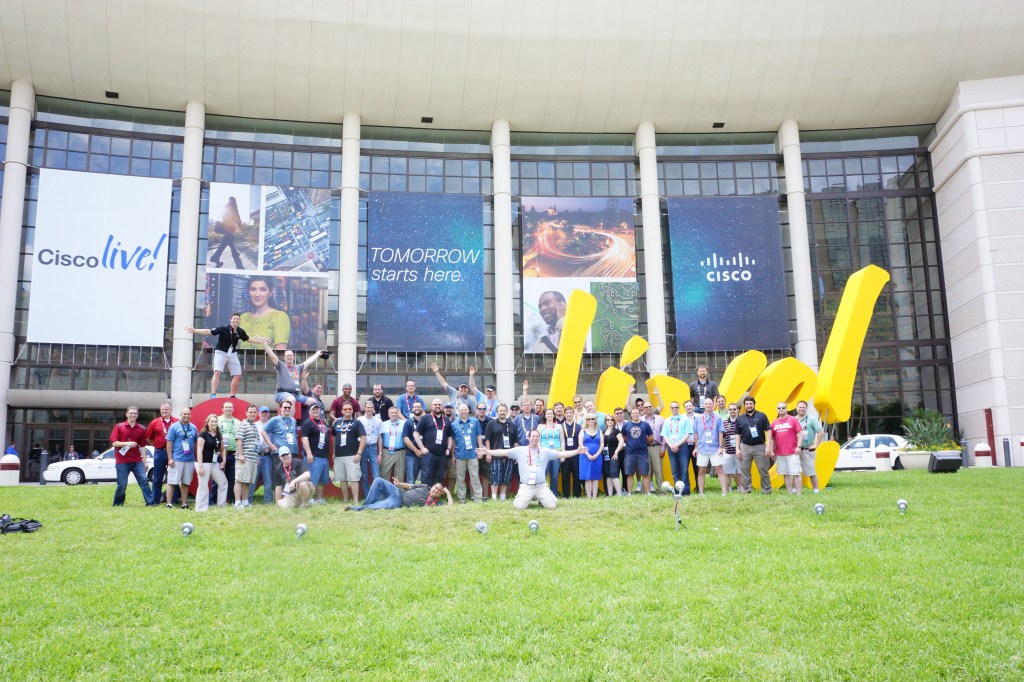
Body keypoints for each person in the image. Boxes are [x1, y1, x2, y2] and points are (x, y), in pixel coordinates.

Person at [482, 430, 584, 509]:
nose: (535, 438)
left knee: (552, 506)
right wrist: (487, 451)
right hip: (526, 486)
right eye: (533, 436)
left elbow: (561, 454)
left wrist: (577, 451)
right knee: (519, 507)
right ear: (528, 437)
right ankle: (522, 497)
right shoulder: (520, 450)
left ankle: (548, 497)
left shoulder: (545, 451)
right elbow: (503, 452)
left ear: (539, 438)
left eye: (537, 436)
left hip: (541, 486)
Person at [183, 314, 250, 399]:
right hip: (221, 352)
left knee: (237, 374)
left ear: (239, 321)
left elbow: (248, 339)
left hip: (232, 353)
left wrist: (261, 341)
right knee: (217, 372)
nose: (236, 320)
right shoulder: (223, 328)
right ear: (230, 320)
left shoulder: (240, 331)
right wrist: (194, 330)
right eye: (234, 319)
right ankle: (213, 394)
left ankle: (232, 395)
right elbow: (209, 332)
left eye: (238, 319)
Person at [109, 406, 154, 507]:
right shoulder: (119, 426)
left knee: (144, 482)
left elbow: (142, 447)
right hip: (122, 461)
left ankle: (150, 503)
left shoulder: (142, 429)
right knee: (122, 484)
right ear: (126, 414)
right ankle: (117, 504)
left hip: (137, 461)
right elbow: (114, 443)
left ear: (137, 415)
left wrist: (145, 462)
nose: (133, 415)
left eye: (135, 413)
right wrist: (127, 444)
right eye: (131, 413)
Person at [261, 338, 324, 410]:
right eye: (287, 356)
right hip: (281, 394)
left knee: (313, 401)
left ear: (293, 357)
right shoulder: (281, 366)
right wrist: (265, 344)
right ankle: (291, 421)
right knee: (291, 399)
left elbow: (309, 361)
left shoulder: (298, 367)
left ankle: (313, 420)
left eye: (291, 355)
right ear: (284, 358)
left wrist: (318, 353)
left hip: (296, 395)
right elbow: (272, 356)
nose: (289, 357)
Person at [239, 276, 290, 350]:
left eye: (262, 290)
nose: (257, 294)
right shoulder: (243, 317)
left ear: (270, 293)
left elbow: (280, 354)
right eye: (253, 289)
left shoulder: (279, 317)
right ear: (248, 292)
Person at [413, 399, 454, 487]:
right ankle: (425, 497)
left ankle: (436, 498)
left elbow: (450, 436)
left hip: (442, 454)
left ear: (442, 406)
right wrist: (422, 448)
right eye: (435, 404)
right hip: (429, 454)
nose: (437, 406)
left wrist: (448, 448)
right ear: (432, 406)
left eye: (439, 404)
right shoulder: (425, 418)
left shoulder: (446, 420)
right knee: (427, 476)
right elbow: (415, 433)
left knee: (439, 477)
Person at [347, 476, 452, 511]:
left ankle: (355, 509)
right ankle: (366, 504)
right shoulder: (425, 487)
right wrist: (399, 484)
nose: (436, 490)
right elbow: (410, 486)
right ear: (433, 486)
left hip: (398, 502)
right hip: (397, 492)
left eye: (439, 490)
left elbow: (450, 507)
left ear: (440, 494)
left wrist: (447, 493)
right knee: (378, 480)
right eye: (436, 487)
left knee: (379, 506)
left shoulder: (436, 502)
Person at [735, 397, 772, 494]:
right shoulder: (740, 418)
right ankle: (746, 491)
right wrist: (737, 449)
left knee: (763, 470)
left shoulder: (762, 416)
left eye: (750, 403)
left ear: (754, 404)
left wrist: (768, 446)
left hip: (760, 447)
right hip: (745, 447)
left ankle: (766, 491)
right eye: (747, 404)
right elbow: (737, 434)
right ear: (744, 405)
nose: (749, 406)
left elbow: (768, 430)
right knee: (745, 471)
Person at [331, 402, 365, 504]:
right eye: (345, 409)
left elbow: (363, 438)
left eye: (349, 409)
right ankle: (345, 499)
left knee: (354, 478)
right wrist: (334, 452)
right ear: (341, 411)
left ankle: (355, 501)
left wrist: (359, 453)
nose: (347, 411)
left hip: (352, 455)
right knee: (342, 479)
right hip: (339, 455)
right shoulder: (337, 422)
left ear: (352, 410)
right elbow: (333, 437)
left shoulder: (357, 422)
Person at [145, 401, 178, 506]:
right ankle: (155, 500)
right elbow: (149, 438)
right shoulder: (155, 422)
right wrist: (157, 445)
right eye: (162, 409)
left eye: (166, 409)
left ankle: (173, 500)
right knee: (158, 477)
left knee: (174, 477)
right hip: (160, 452)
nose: (164, 411)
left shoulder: (177, 422)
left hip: (174, 453)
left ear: (171, 410)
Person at [165, 408, 197, 509]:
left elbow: (196, 443)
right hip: (177, 459)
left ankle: (184, 504)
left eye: (188, 414)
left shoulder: (193, 427)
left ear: (190, 415)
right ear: (180, 415)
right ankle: (169, 504)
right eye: (184, 414)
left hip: (189, 460)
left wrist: (196, 458)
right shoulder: (174, 427)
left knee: (186, 482)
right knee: (172, 482)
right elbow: (169, 443)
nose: (186, 416)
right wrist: (170, 458)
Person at [484, 404, 518, 501]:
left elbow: (515, 441)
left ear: (507, 412)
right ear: (497, 412)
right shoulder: (491, 423)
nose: (502, 412)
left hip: (508, 456)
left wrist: (517, 455)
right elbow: (487, 440)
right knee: (495, 478)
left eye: (504, 410)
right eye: (500, 411)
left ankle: (502, 498)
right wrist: (488, 453)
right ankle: (494, 498)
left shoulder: (511, 424)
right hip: (495, 456)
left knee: (505, 478)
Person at [450, 404, 483, 502]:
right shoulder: (454, 424)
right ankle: (461, 499)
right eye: (461, 410)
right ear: (458, 411)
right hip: (460, 455)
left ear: (468, 410)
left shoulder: (475, 421)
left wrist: (480, 450)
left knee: (475, 477)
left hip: (473, 454)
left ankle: (478, 498)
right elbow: (453, 441)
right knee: (460, 478)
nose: (463, 411)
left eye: (465, 409)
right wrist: (452, 455)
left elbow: (478, 436)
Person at [768, 402, 803, 495]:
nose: (781, 409)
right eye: (779, 408)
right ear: (777, 410)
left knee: (796, 473)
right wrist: (772, 450)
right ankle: (790, 493)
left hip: (793, 452)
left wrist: (798, 446)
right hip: (780, 453)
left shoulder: (793, 420)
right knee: (786, 474)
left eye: (783, 408)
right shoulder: (774, 423)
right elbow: (772, 438)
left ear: (787, 409)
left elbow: (800, 433)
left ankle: (799, 494)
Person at [195, 414, 229, 511]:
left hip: (214, 464)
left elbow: (222, 449)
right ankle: (201, 509)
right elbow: (199, 450)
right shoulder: (203, 434)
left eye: (215, 421)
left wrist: (224, 461)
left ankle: (221, 504)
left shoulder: (218, 435)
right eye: (212, 421)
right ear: (208, 422)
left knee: (223, 482)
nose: (214, 423)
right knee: (203, 486)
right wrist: (200, 466)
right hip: (204, 463)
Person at [694, 398, 727, 495]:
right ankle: (701, 493)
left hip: (715, 448)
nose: (708, 405)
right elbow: (696, 433)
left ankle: (724, 493)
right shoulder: (698, 418)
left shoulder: (718, 418)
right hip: (702, 448)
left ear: (713, 405)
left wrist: (720, 447)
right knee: (701, 470)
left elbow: (721, 432)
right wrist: (696, 447)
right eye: (706, 404)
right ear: (703, 405)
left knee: (719, 469)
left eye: (710, 404)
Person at [299, 402, 331, 504]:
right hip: (314, 457)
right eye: (313, 409)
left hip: (324, 456)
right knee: (312, 480)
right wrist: (309, 453)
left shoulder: (323, 422)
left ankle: (319, 499)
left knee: (322, 480)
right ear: (309, 411)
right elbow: (304, 439)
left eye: (317, 409)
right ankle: (309, 499)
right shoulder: (307, 423)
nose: (316, 411)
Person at [662, 401, 694, 492]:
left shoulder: (685, 420)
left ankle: (684, 491)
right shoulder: (667, 420)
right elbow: (664, 435)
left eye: (676, 407)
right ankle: (677, 490)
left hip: (682, 446)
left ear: (679, 408)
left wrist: (677, 444)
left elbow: (687, 434)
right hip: (671, 447)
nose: (674, 409)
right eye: (673, 407)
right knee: (675, 470)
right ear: (670, 409)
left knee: (684, 470)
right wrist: (671, 445)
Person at [622, 407, 654, 494]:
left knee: (644, 473)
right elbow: (623, 436)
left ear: (639, 414)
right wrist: (630, 442)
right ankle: (629, 493)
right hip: (630, 453)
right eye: (633, 413)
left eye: (637, 413)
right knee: (630, 473)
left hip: (642, 453)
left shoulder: (645, 424)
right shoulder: (626, 425)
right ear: (631, 415)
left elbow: (651, 437)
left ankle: (648, 493)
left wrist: (643, 442)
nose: (635, 414)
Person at [234, 405, 261, 508]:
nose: (252, 414)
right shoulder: (243, 424)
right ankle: (237, 502)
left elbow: (255, 443)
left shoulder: (254, 425)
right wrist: (241, 455)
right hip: (244, 457)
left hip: (253, 457)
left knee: (247, 482)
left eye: (254, 412)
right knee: (239, 480)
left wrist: (256, 456)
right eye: (250, 412)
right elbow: (239, 439)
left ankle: (245, 502)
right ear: (246, 413)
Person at [214, 401, 240, 504]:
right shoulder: (217, 420)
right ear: (222, 409)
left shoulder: (238, 422)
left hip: (232, 454)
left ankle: (229, 500)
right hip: (219, 454)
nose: (228, 409)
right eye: (226, 407)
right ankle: (213, 501)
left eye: (230, 407)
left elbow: (240, 438)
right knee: (216, 479)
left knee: (232, 478)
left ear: (233, 409)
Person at [248, 406, 275, 505]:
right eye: (262, 412)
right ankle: (248, 501)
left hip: (268, 456)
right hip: (256, 455)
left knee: (268, 480)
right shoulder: (253, 425)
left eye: (266, 412)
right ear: (258, 414)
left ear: (268, 414)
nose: (264, 414)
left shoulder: (272, 425)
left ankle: (268, 501)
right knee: (252, 480)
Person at [210, 195, 245, 269]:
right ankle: (215, 257)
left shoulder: (226, 205)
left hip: (226, 228)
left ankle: (234, 254)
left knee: (229, 243)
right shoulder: (233, 204)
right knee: (224, 245)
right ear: (234, 200)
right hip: (230, 228)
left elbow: (224, 216)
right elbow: (237, 216)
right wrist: (241, 227)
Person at [796, 400, 824, 493]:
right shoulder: (793, 420)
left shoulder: (811, 419)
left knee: (811, 471)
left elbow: (820, 431)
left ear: (806, 408)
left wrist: (816, 444)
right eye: (800, 407)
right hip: (796, 449)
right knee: (795, 471)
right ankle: (795, 489)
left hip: (808, 449)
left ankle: (816, 489)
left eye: (803, 407)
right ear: (796, 408)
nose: (801, 409)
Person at [537, 409, 564, 497]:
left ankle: (553, 495)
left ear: (554, 415)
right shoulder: (540, 427)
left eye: (551, 414)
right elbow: (538, 441)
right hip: (544, 453)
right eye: (547, 414)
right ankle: (542, 494)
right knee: (543, 474)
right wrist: (539, 453)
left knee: (554, 476)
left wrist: (562, 454)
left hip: (556, 453)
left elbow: (562, 441)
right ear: (545, 416)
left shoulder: (559, 427)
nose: (549, 415)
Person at [358, 399, 383, 488]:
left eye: (371, 407)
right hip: (363, 448)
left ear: (373, 409)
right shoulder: (359, 420)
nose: (369, 409)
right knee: (364, 473)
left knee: (376, 474)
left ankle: (377, 495)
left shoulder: (378, 421)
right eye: (368, 407)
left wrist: (380, 453)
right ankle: (366, 495)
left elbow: (379, 437)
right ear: (365, 408)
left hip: (373, 448)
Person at [379, 407, 406, 485]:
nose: (393, 414)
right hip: (387, 452)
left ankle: (399, 494)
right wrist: (380, 453)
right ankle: (384, 494)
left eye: (395, 412)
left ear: (398, 413)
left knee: (400, 474)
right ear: (388, 414)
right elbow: (380, 438)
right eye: (391, 413)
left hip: (400, 451)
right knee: (384, 473)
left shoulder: (404, 424)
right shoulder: (383, 424)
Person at [559, 408, 583, 498]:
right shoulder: (560, 427)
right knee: (565, 476)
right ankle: (566, 495)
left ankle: (577, 495)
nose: (569, 414)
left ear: (573, 414)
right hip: (565, 454)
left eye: (570, 412)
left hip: (576, 454)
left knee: (576, 475)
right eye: (567, 413)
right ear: (564, 414)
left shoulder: (579, 427)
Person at [643, 401, 665, 493]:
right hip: (644, 448)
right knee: (645, 470)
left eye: (649, 406)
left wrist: (663, 448)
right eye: (646, 407)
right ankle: (646, 491)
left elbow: (664, 434)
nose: (648, 408)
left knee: (658, 470)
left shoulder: (660, 419)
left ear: (652, 407)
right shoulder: (640, 419)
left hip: (657, 447)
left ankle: (661, 490)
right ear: (643, 409)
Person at [579, 413, 604, 498]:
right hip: (585, 456)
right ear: (586, 420)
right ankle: (589, 497)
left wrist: (596, 455)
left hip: (597, 456)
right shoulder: (583, 431)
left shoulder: (599, 431)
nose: (590, 421)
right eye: (588, 419)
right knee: (588, 477)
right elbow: (581, 444)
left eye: (592, 419)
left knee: (595, 476)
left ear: (595, 420)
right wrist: (588, 454)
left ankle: (594, 497)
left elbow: (602, 445)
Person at [603, 407, 626, 496]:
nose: (610, 421)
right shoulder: (603, 431)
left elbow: (621, 441)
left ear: (614, 421)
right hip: (605, 456)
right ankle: (610, 494)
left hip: (614, 455)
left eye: (611, 420)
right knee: (608, 476)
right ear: (605, 422)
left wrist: (616, 452)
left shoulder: (616, 431)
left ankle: (619, 494)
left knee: (614, 475)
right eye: (608, 420)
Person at [402, 402, 425, 484]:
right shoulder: (408, 422)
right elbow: (406, 439)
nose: (417, 408)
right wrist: (416, 451)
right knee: (411, 479)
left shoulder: (426, 421)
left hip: (425, 454)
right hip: (412, 454)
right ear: (412, 409)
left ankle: (424, 496)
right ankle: (410, 496)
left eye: (419, 407)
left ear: (422, 408)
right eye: (415, 407)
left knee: (425, 478)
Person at [722, 402, 742, 492]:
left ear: (738, 410)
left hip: (739, 451)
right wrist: (722, 447)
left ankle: (740, 489)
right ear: (728, 410)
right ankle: (728, 489)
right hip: (728, 451)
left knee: (739, 472)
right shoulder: (724, 422)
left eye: (734, 409)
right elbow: (721, 436)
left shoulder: (742, 420)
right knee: (726, 472)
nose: (732, 411)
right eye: (730, 409)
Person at [474, 403, 492, 496]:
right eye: (480, 408)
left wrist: (488, 452)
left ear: (486, 410)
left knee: (485, 475)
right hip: (475, 451)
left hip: (486, 450)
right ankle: (474, 496)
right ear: (477, 410)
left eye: (484, 408)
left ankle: (485, 496)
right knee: (474, 475)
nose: (482, 410)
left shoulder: (491, 421)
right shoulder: (473, 420)